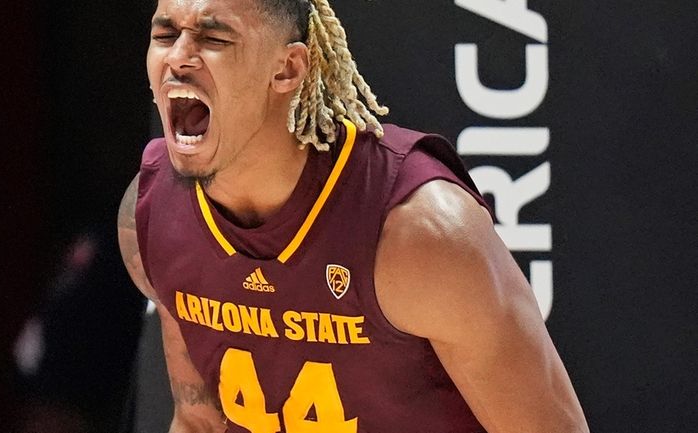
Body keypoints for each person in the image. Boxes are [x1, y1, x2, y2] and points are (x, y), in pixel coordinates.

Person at [118, 0, 589, 432]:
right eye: (164, 35)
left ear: (287, 69)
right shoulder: (155, 208)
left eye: (214, 38)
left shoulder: (420, 230)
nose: (178, 57)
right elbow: (198, 420)